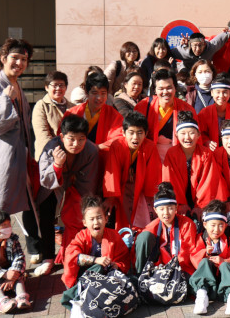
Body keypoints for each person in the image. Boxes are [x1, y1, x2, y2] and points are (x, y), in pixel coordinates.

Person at [37, 115, 99, 273]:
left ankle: (78, 251)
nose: (76, 144)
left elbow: (88, 184)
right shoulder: (51, 148)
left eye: (81, 139)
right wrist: (57, 165)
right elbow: (45, 179)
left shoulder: (91, 150)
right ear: (62, 136)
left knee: (81, 213)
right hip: (52, 187)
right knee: (45, 213)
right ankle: (48, 257)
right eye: (71, 139)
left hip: (78, 188)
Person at [0, 38, 34, 216]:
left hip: (18, 155)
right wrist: (5, 100)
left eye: (24, 59)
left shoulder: (15, 84)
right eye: (15, 58)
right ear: (3, 58)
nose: (19, 63)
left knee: (25, 201)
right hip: (1, 155)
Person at [162, 111, 227, 220]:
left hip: (202, 200)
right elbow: (170, 180)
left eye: (192, 133)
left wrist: (200, 206)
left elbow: (208, 181)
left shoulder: (206, 153)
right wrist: (180, 204)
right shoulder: (172, 153)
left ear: (198, 135)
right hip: (179, 199)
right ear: (176, 135)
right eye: (183, 133)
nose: (187, 137)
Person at [61, 196, 131, 296]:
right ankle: (75, 292)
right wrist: (95, 260)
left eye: (99, 217)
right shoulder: (81, 236)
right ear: (84, 222)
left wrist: (117, 265)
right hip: (85, 276)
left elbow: (124, 259)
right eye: (91, 219)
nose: (96, 222)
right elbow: (71, 255)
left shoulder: (114, 236)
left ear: (106, 219)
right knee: (98, 267)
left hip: (109, 277)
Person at [103, 111, 161, 230]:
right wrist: (111, 197)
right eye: (131, 132)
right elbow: (112, 171)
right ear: (123, 132)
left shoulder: (150, 147)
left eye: (140, 133)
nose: (135, 137)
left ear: (146, 133)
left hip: (140, 189)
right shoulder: (117, 145)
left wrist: (150, 197)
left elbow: (153, 175)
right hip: (119, 189)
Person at [134, 182, 198, 279]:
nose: (166, 213)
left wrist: (172, 268)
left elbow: (187, 252)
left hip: (181, 269)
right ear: (155, 210)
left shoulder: (187, 224)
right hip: (158, 268)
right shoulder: (151, 227)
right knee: (143, 237)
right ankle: (141, 277)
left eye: (170, 208)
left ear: (176, 208)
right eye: (162, 209)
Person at [190, 200, 230, 316]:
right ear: (205, 224)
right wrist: (205, 253)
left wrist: (223, 261)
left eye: (221, 225)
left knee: (226, 265)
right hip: (209, 284)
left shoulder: (228, 240)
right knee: (204, 261)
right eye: (213, 225)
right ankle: (202, 294)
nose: (216, 229)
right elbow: (194, 258)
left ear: (226, 225)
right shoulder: (201, 239)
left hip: (225, 281)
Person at [134, 68, 197, 161]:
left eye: (169, 88)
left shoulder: (186, 108)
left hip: (177, 156)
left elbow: (195, 137)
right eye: (161, 89)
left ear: (175, 88)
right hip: (149, 155)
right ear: (155, 90)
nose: (165, 92)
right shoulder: (144, 106)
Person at [63, 72, 123, 151]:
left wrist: (96, 148)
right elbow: (63, 137)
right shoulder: (72, 113)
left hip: (102, 156)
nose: (99, 98)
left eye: (103, 93)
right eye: (95, 93)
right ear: (86, 93)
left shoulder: (114, 115)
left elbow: (118, 138)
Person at [197, 74, 230, 152]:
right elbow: (200, 133)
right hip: (212, 152)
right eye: (217, 92)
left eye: (225, 92)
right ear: (212, 93)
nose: (221, 96)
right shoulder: (204, 113)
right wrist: (206, 141)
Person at [32, 71, 74, 162]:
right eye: (54, 85)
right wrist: (60, 152)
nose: (58, 88)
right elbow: (42, 135)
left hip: (71, 157)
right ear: (46, 87)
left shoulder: (73, 107)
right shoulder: (41, 106)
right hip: (48, 156)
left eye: (61, 85)